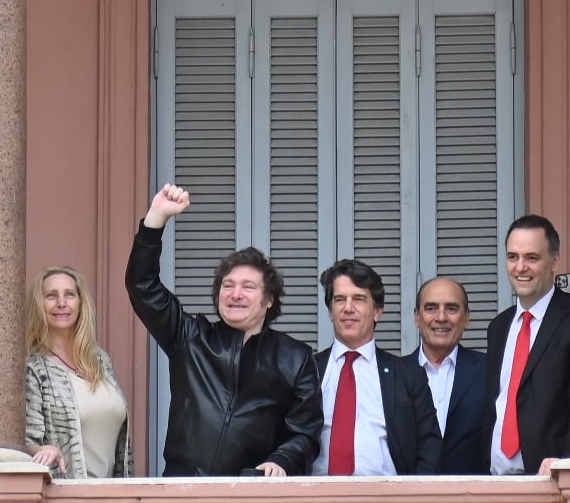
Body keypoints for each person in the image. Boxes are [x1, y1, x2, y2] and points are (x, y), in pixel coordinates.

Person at [125, 183, 322, 476]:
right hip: (184, 490)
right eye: (227, 285)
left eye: (248, 287)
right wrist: (155, 220)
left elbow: (304, 433)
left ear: (269, 299)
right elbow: (142, 286)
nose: (235, 294)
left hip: (251, 494)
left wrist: (282, 460)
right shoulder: (190, 337)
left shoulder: (296, 358)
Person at [312, 259, 439, 475]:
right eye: (340, 299)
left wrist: (414, 495)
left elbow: (429, 445)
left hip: (388, 493)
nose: (348, 308)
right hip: (315, 492)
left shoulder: (408, 374)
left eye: (359, 299)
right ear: (331, 311)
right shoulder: (309, 370)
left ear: (378, 311)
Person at [485, 214, 570, 473]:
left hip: (550, 477)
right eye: (513, 257)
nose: (520, 267)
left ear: (555, 261)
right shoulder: (498, 328)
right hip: (495, 479)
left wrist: (568, 463)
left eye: (532, 257)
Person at [22, 267, 132, 478]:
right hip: (66, 492)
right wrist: (44, 451)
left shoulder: (100, 361)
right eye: (51, 295)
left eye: (70, 294)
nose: (61, 303)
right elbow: (26, 442)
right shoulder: (33, 368)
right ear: (39, 305)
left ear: (81, 303)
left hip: (113, 493)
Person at [414, 277, 491, 475]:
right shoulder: (394, 375)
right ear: (417, 317)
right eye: (431, 308)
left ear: (466, 318)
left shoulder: (492, 370)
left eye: (451, 308)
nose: (441, 317)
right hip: (409, 491)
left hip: (475, 491)